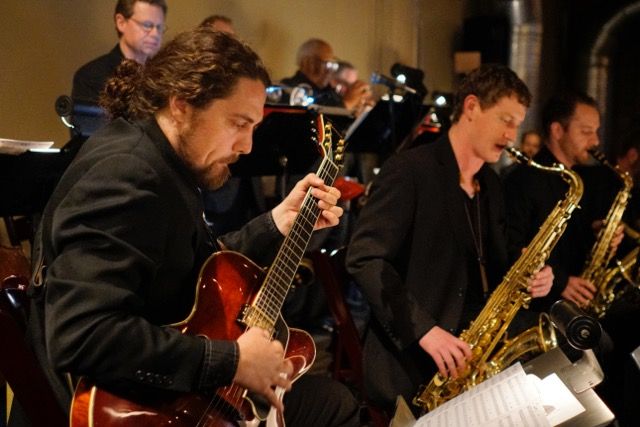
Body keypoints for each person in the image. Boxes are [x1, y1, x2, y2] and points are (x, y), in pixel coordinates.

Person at [10, 28, 360, 427]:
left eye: (253, 127)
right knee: (334, 406)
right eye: (238, 123)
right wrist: (231, 360)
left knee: (329, 400)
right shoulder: (126, 176)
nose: (247, 146)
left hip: (161, 381)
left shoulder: (161, 161)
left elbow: (194, 267)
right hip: (118, 408)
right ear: (181, 106)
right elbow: (83, 334)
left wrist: (276, 223)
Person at [345, 64, 554, 413]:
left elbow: (496, 267)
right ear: (471, 107)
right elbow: (365, 259)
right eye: (505, 120)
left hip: (472, 353)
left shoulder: (491, 185)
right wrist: (426, 331)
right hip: (415, 358)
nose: (511, 135)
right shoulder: (410, 170)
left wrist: (533, 277)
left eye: (517, 124)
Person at [71, 0, 167, 105]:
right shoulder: (91, 77)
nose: (155, 34)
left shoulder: (165, 76)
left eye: (159, 27)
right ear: (121, 23)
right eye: (147, 25)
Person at [280, 38, 371, 111]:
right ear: (309, 63)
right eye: (327, 63)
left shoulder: (330, 91)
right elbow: (316, 117)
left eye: (333, 64)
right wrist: (349, 102)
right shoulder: (288, 88)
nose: (330, 70)